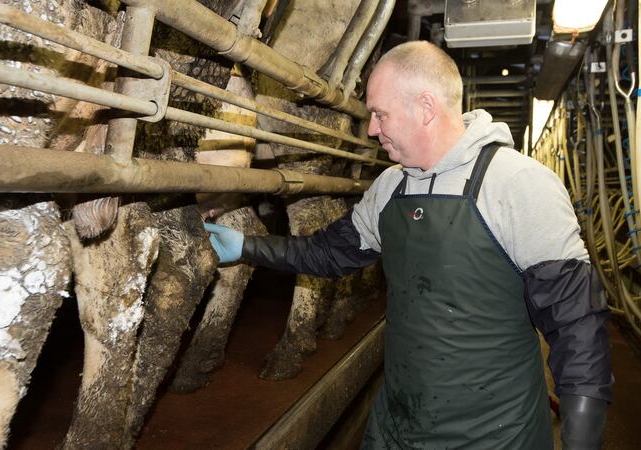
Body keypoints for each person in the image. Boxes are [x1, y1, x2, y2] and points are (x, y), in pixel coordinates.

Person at [203, 41, 611, 450]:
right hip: (398, 424)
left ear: (426, 108)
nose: (371, 129)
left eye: (380, 114)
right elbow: (327, 253)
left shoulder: (516, 183)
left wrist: (582, 434)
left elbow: (575, 323)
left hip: (494, 434)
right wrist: (246, 246)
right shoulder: (391, 187)